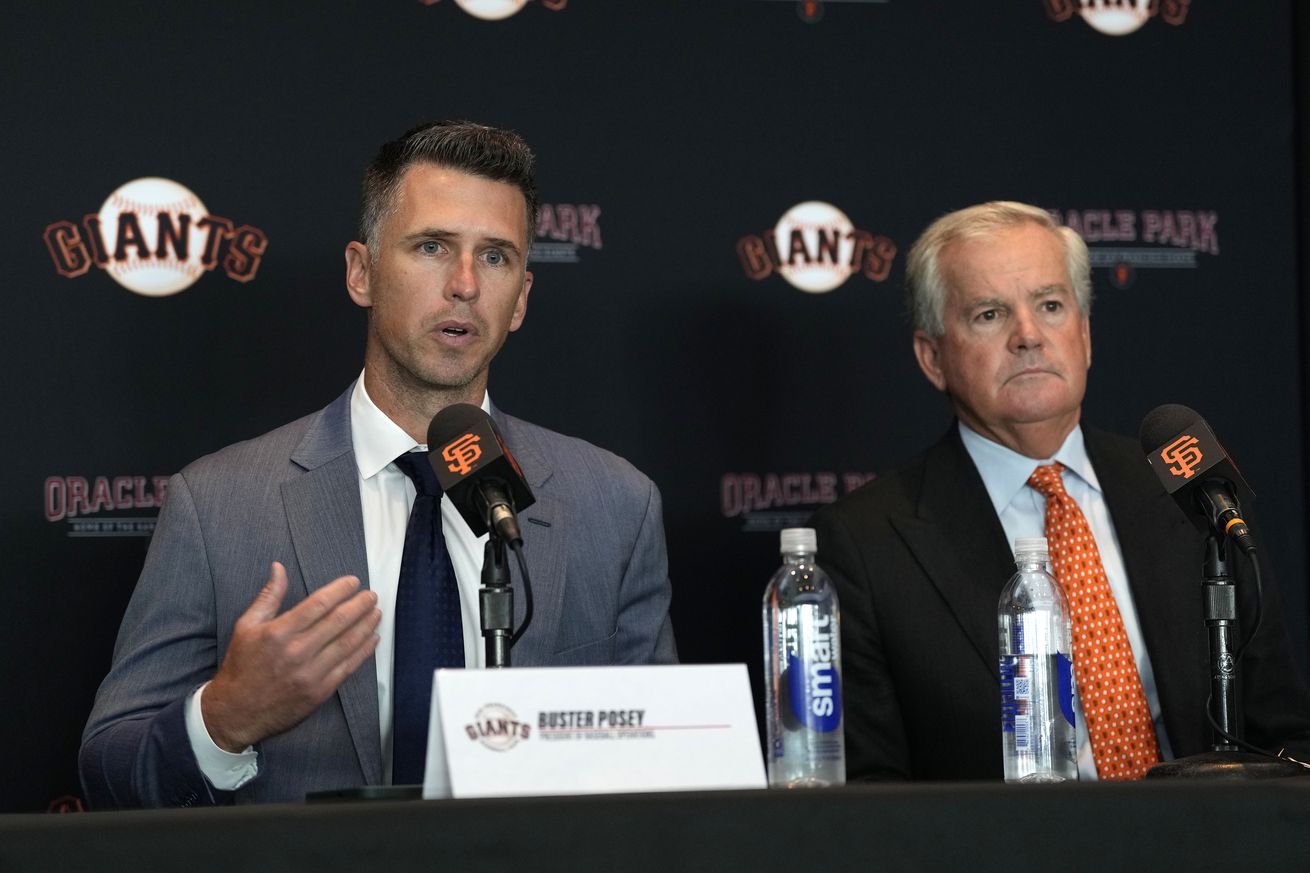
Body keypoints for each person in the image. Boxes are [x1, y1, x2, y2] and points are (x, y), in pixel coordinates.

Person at [80, 121, 677, 808]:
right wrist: (224, 718)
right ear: (361, 273)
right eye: (432, 247)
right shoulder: (218, 505)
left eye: (496, 257)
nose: (463, 285)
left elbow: (665, 777)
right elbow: (107, 773)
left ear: (521, 300)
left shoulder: (615, 505)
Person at [809, 201, 1310, 781]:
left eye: (1050, 306)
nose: (1028, 336)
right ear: (932, 358)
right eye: (990, 314)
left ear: (1086, 334)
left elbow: (1282, 732)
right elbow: (866, 797)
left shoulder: (1192, 492)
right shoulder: (865, 543)